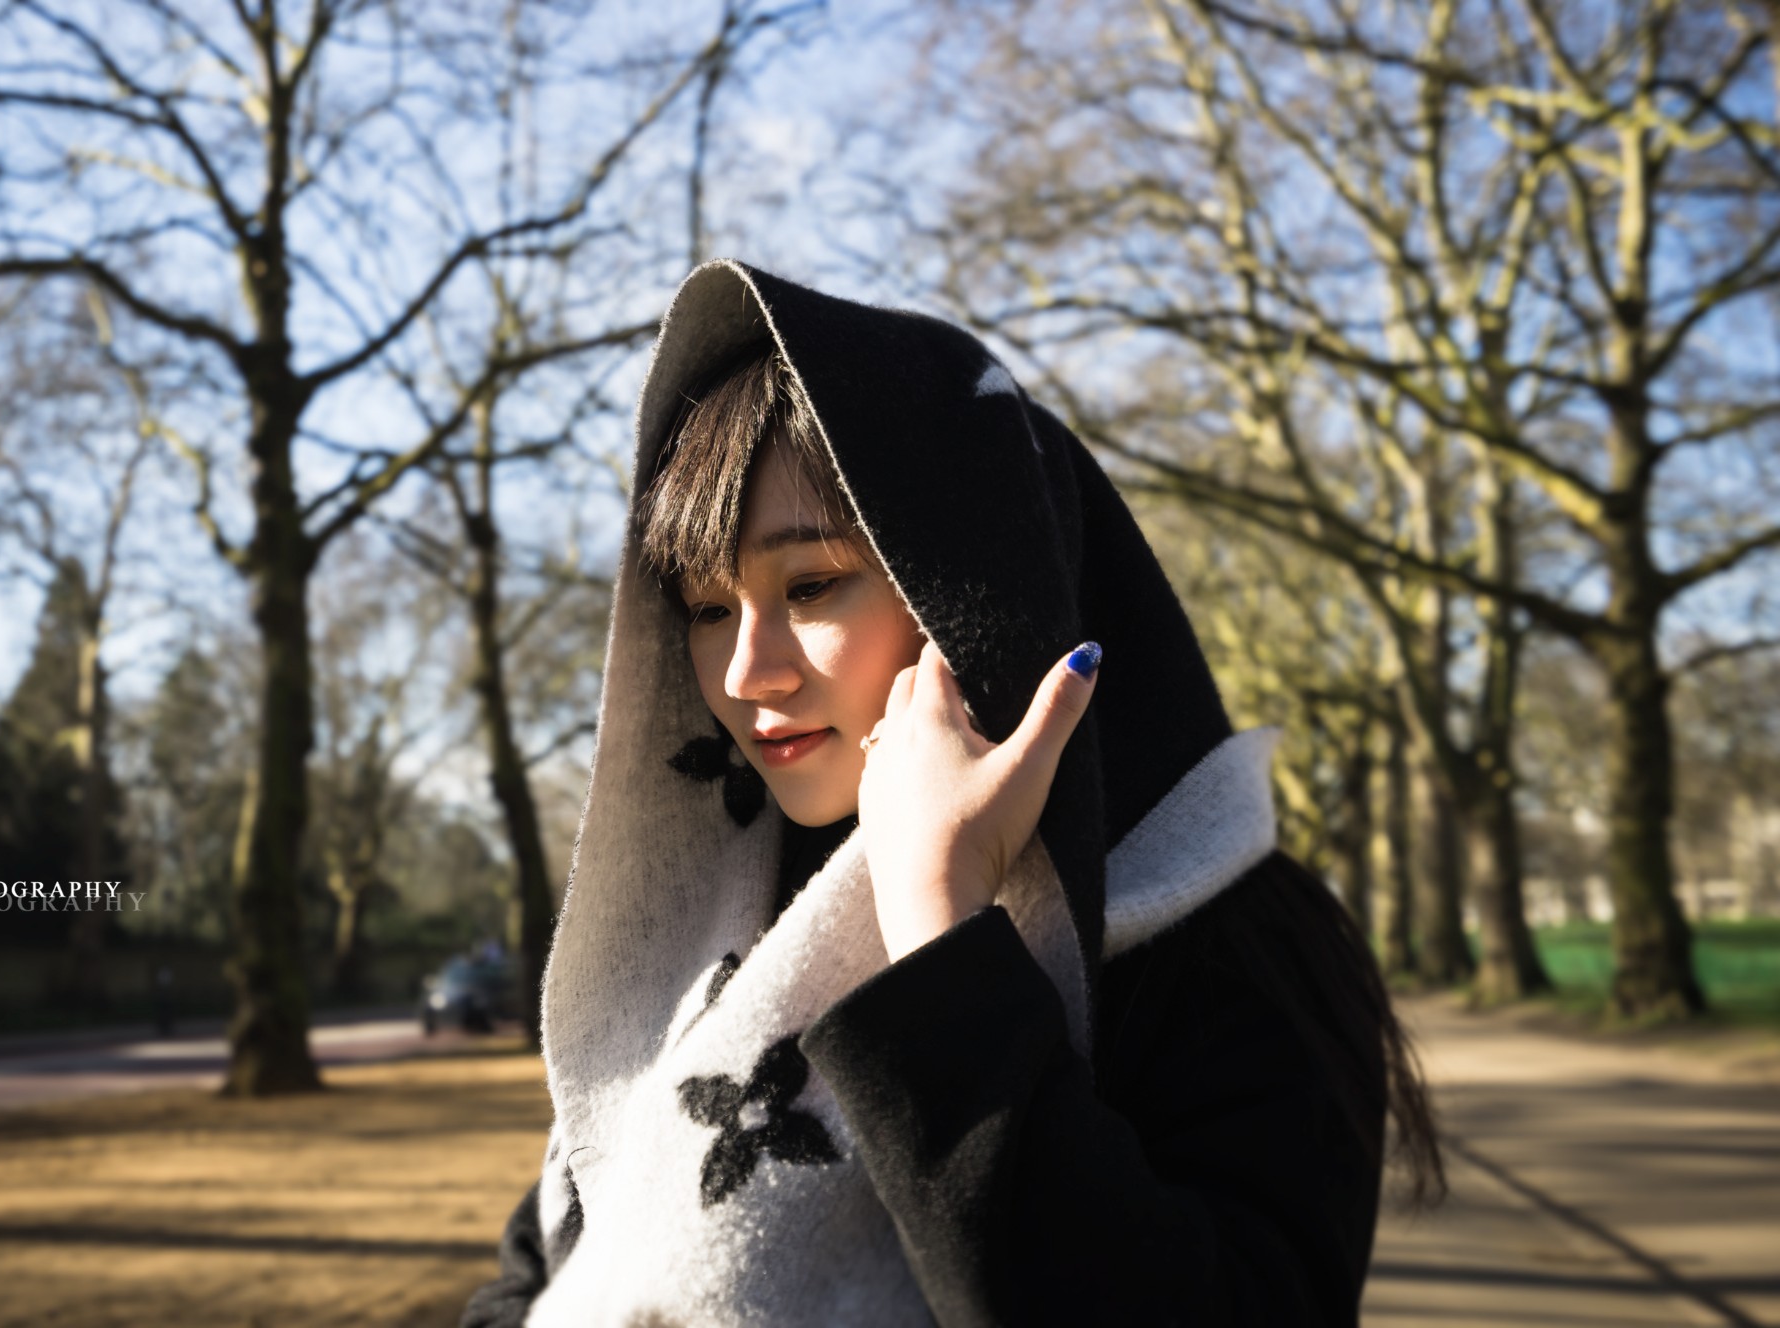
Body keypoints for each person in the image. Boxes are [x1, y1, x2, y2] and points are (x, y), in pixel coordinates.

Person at [461, 261, 1442, 1326]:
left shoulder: (1221, 935)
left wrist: (940, 939)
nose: (746, 673)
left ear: (972, 591)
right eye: (706, 608)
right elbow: (535, 1285)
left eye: (810, 585)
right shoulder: (690, 938)